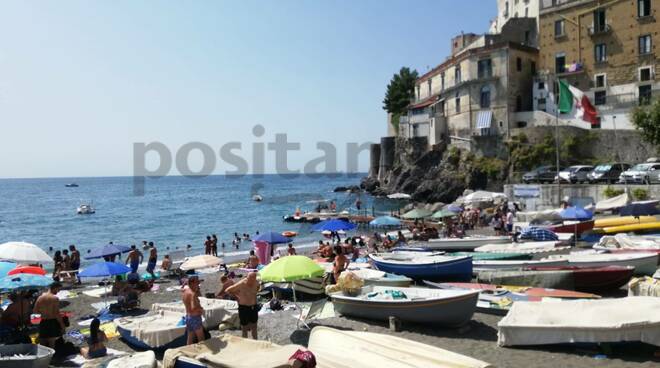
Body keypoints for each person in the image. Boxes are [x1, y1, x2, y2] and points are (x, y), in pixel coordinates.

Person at [226, 272, 260, 339]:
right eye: (250, 279)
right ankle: (245, 343)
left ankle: (256, 342)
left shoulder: (256, 282)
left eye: (253, 279)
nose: (251, 281)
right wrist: (237, 297)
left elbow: (258, 287)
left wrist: (254, 294)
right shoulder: (241, 284)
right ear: (247, 278)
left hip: (253, 307)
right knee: (245, 328)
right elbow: (228, 290)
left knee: (254, 326)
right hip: (244, 307)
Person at [34, 282, 65, 348]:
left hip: (42, 322)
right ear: (55, 288)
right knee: (51, 343)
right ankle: (52, 357)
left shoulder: (40, 298)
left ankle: (44, 357)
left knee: (42, 343)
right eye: (58, 289)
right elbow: (56, 313)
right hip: (52, 322)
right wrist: (62, 325)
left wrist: (36, 325)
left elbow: (35, 311)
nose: (58, 291)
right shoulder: (54, 298)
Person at [182, 275, 205, 345]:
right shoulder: (192, 294)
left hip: (188, 317)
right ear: (192, 283)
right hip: (195, 317)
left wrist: (197, 289)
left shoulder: (185, 291)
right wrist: (201, 309)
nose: (198, 283)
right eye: (197, 282)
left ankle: (188, 351)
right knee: (201, 338)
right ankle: (203, 352)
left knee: (190, 337)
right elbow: (193, 307)